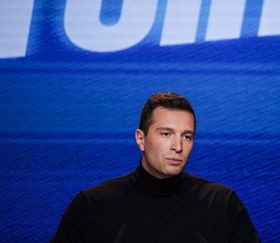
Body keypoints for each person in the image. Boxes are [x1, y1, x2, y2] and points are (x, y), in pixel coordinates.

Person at [51, 92, 260, 243]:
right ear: (140, 139)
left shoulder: (222, 204)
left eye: (187, 137)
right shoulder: (92, 206)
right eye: (166, 134)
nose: (178, 147)